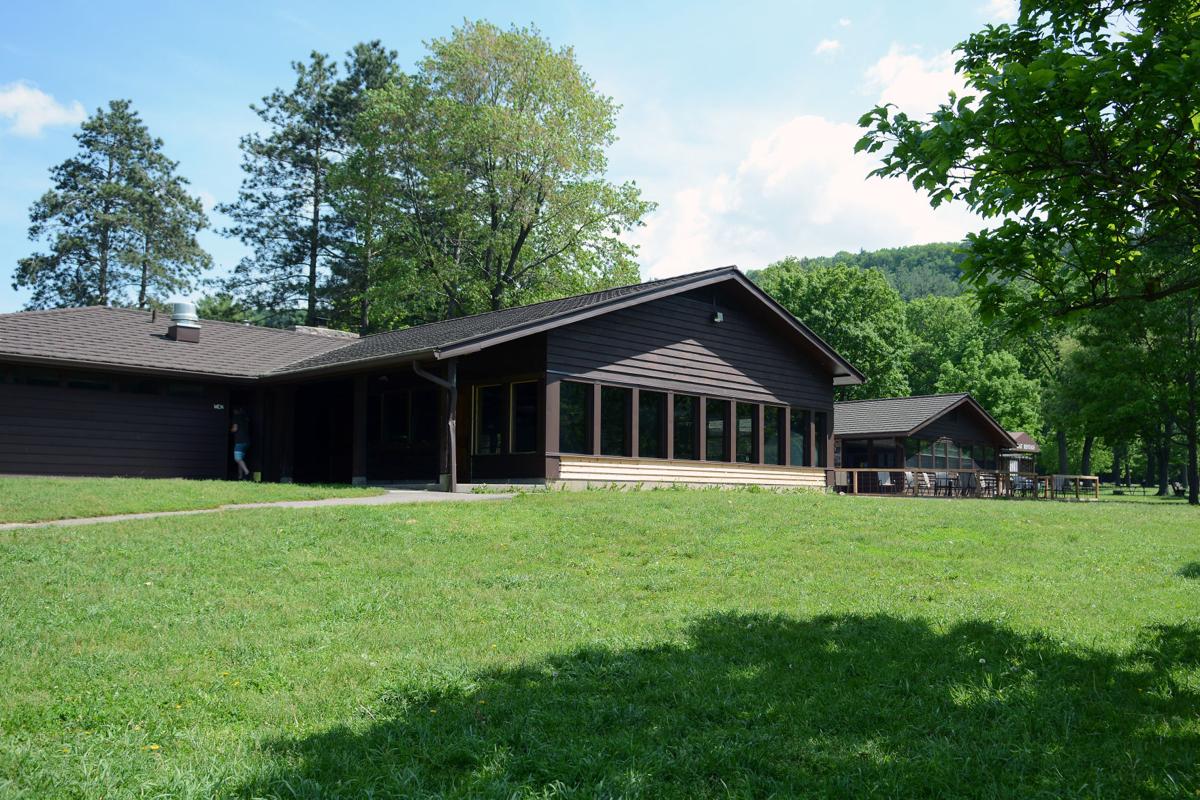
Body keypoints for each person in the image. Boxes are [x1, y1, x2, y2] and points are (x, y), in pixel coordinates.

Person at [231, 409, 251, 480]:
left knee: (237, 459)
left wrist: (230, 430)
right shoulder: (245, 417)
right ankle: (240, 477)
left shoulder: (236, 417)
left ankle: (247, 472)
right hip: (247, 441)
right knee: (240, 460)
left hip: (240, 441)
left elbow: (235, 429)